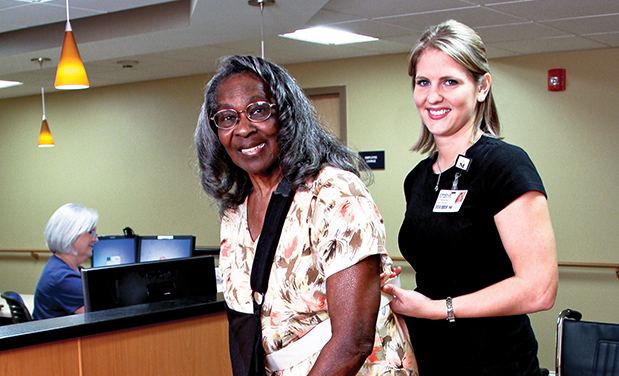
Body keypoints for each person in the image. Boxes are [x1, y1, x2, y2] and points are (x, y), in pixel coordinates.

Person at [195, 55, 416, 376]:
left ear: (286, 115)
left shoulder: (333, 193)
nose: (243, 128)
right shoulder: (235, 209)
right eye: (227, 118)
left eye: (258, 111)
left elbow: (353, 341)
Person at [381, 20, 558, 376]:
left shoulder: (504, 165)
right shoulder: (418, 179)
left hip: (497, 364)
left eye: (450, 82)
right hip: (431, 359)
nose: (433, 96)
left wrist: (436, 309)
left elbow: (539, 289)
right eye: (423, 82)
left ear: (482, 87)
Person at [33, 203, 99, 320]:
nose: (95, 239)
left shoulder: (61, 267)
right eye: (90, 233)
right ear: (70, 234)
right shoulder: (63, 278)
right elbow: (103, 314)